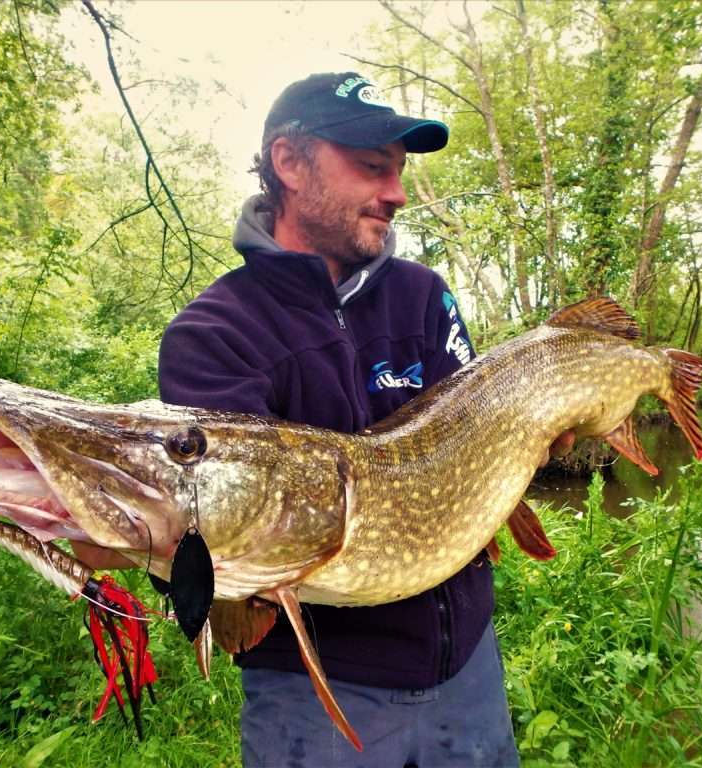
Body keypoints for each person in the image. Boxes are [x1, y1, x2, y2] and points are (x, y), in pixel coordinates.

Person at [154, 71, 521, 768]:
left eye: (400, 171)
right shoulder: (214, 332)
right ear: (289, 163)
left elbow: (481, 440)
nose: (398, 193)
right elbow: (216, 536)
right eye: (373, 167)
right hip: (317, 701)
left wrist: (535, 436)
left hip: (468, 670)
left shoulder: (423, 296)